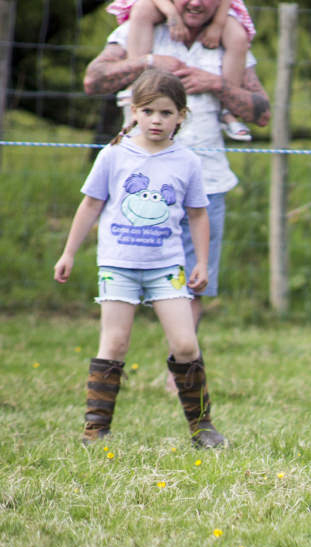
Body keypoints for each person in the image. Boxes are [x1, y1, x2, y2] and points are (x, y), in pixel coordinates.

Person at [84, 0, 270, 387]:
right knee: (127, 276)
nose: (197, 3)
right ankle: (113, 357)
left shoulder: (230, 38)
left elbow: (262, 112)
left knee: (195, 280)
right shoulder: (138, 29)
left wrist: (216, 84)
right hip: (139, 185)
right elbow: (94, 80)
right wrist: (149, 62)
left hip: (206, 180)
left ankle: (179, 373)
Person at [54, 69, 227, 448]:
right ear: (134, 112)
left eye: (166, 113)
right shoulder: (114, 155)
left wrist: (201, 262)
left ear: (181, 116)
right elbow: (90, 205)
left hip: (167, 267)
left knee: (185, 345)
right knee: (114, 344)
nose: (156, 120)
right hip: (118, 266)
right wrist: (68, 253)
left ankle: (203, 428)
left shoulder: (186, 162)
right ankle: (95, 431)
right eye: (148, 111)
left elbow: (198, 213)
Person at [107, 0, 256, 141]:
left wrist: (218, 24)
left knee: (237, 36)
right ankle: (138, 88)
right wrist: (171, 13)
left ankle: (227, 112)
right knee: (142, 9)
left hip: (218, 10)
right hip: (164, 4)